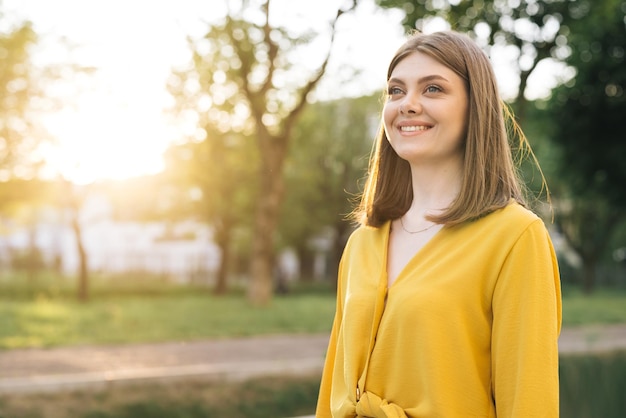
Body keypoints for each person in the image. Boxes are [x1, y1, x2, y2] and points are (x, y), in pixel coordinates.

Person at [315, 30, 562, 418]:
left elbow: (529, 403)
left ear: (474, 107)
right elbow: (333, 392)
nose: (408, 104)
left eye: (432, 89)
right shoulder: (362, 243)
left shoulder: (515, 236)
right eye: (396, 91)